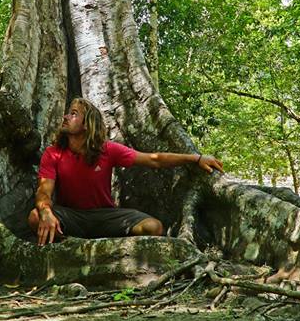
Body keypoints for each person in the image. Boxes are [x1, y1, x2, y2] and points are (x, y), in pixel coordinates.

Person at [28, 98, 224, 246]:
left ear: (87, 124)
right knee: (35, 217)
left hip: (106, 217)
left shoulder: (108, 150)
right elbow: (44, 191)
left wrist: (196, 158)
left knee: (153, 227)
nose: (66, 117)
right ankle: (72, 245)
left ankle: (104, 245)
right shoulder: (53, 153)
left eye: (73, 114)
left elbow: (153, 160)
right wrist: (46, 212)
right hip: (71, 217)